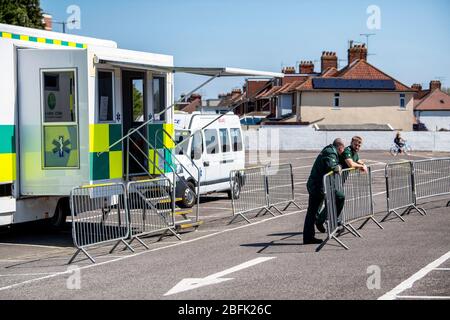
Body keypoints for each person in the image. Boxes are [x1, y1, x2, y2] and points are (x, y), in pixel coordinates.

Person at [315, 136, 367, 232]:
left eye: (359, 145)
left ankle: (333, 222)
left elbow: (358, 160)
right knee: (336, 200)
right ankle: (323, 220)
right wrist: (361, 166)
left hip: (340, 181)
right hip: (334, 179)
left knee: (337, 201)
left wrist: (363, 164)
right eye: (355, 144)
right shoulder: (347, 151)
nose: (357, 147)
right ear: (351, 143)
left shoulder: (354, 152)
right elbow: (351, 164)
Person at [303, 139, 346, 244]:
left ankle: (315, 229)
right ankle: (308, 237)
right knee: (312, 212)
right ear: (340, 147)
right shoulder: (330, 152)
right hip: (316, 186)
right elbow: (332, 167)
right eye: (342, 150)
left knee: (313, 212)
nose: (342, 153)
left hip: (318, 185)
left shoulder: (330, 150)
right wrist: (339, 166)